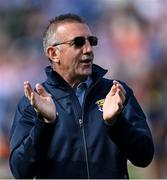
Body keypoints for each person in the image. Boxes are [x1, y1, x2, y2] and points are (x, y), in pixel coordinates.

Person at [9, 13, 154, 179]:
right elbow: (20, 171)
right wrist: (45, 124)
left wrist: (116, 123)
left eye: (91, 41)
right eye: (78, 43)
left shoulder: (116, 93)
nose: (88, 49)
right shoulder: (33, 103)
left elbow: (144, 157)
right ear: (53, 53)